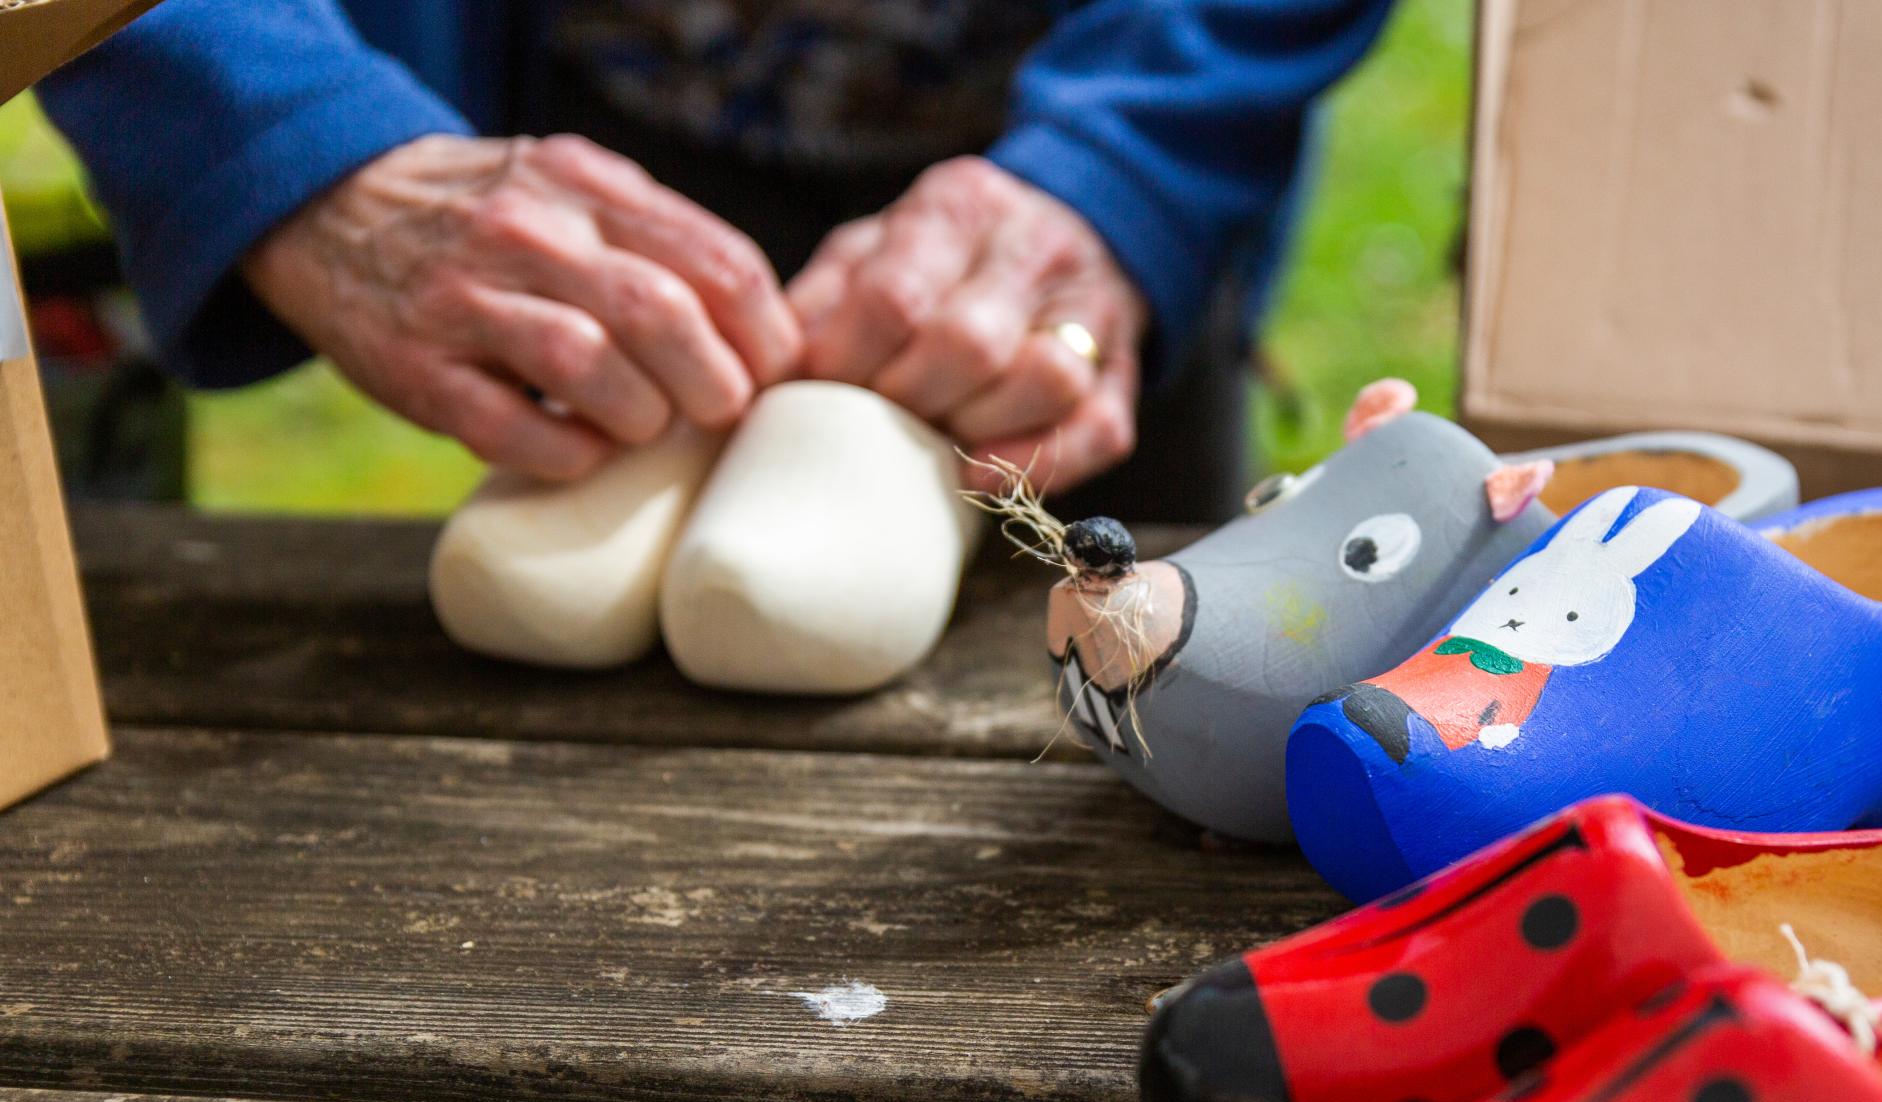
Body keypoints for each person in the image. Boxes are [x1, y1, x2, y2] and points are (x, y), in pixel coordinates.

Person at [35, 0, 1395, 518]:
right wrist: (276, 122)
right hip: (593, 102)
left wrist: (1133, 157)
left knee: (1121, 647)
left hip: (1083, 156)